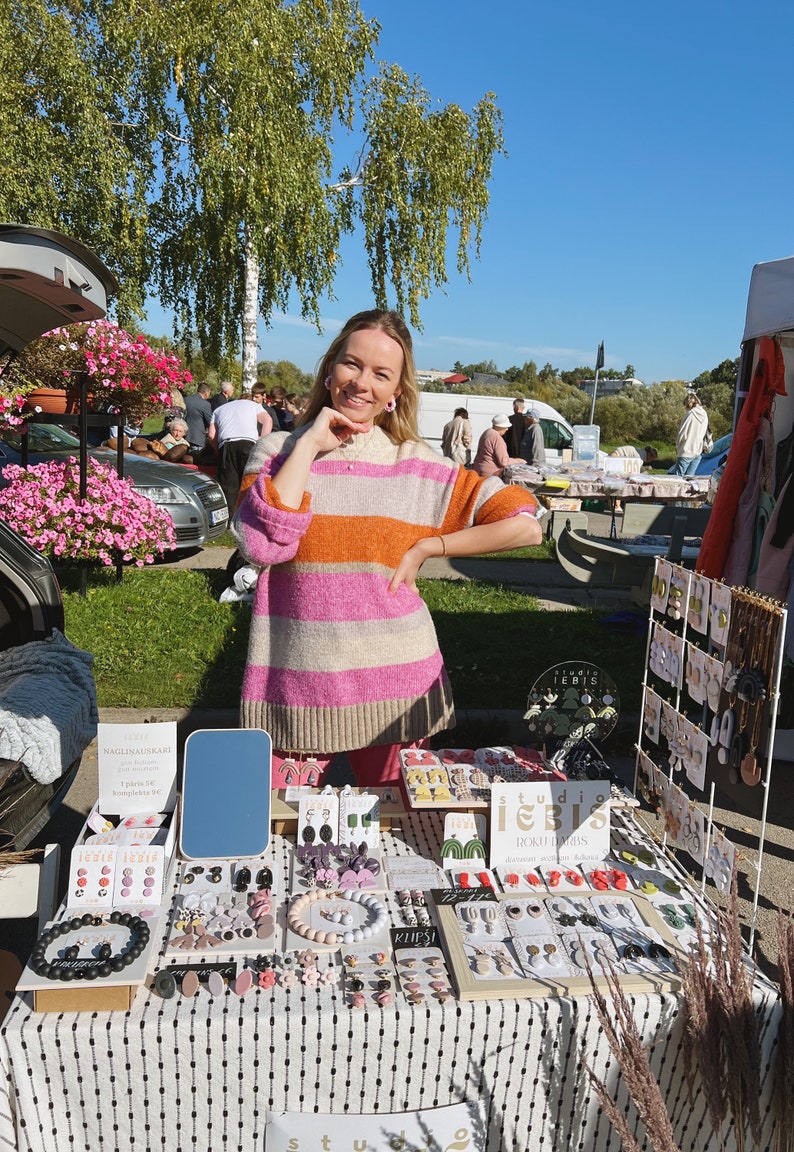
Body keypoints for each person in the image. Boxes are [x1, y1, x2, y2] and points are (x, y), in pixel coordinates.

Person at [232, 309, 541, 787]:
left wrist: (429, 547)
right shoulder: (276, 452)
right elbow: (261, 545)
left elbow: (525, 524)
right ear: (330, 367)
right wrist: (311, 444)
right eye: (352, 364)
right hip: (296, 690)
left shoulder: (415, 464)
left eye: (382, 374)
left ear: (397, 391)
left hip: (398, 690)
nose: (362, 383)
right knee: (279, 835)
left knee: (397, 841)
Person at [209, 391, 273, 512]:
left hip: (227, 444)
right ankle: (251, 514)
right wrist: (262, 442)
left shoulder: (219, 410)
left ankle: (230, 518)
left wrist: (218, 451)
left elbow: (211, 436)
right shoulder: (254, 405)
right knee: (249, 481)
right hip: (248, 443)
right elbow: (268, 421)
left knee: (229, 486)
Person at [672, 393, 709, 476]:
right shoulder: (704, 414)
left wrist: (678, 446)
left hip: (686, 450)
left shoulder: (690, 414)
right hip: (697, 451)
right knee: (689, 479)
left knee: (677, 479)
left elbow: (682, 433)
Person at [184, 382, 213, 455]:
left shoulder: (185, 400)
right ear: (206, 393)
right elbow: (210, 421)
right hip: (197, 438)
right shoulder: (205, 404)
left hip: (183, 436)